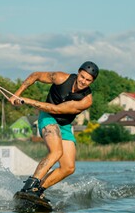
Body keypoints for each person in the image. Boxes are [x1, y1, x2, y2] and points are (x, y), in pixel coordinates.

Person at [10, 61, 99, 201]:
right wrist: (17, 94)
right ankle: (29, 186)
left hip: (64, 124)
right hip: (48, 118)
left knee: (68, 167)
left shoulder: (86, 100)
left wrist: (26, 100)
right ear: (78, 73)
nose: (83, 81)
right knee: (56, 152)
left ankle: (38, 190)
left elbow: (56, 109)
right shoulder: (60, 78)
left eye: (88, 80)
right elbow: (35, 76)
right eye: (82, 77)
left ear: (92, 82)